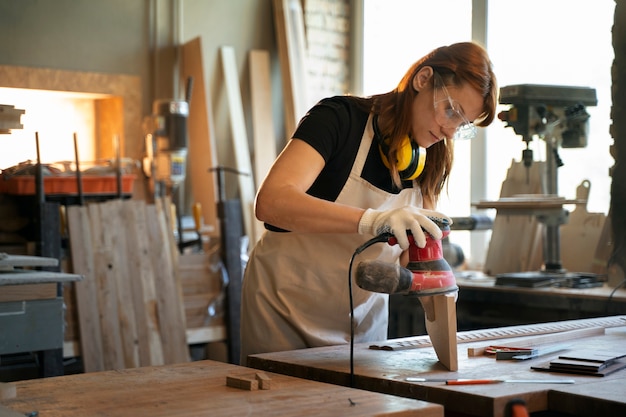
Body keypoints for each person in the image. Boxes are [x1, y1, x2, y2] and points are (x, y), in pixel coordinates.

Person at [240, 41, 498, 363]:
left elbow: (414, 256)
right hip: (284, 309)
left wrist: (436, 282)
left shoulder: (430, 159)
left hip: (362, 322)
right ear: (423, 79)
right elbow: (272, 201)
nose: (448, 131)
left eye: (461, 125)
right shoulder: (338, 119)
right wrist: (373, 220)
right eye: (450, 110)